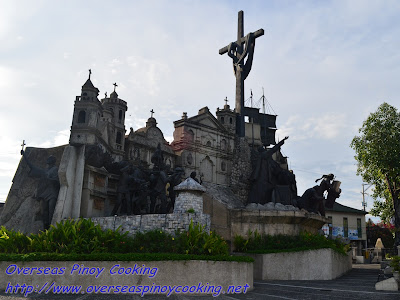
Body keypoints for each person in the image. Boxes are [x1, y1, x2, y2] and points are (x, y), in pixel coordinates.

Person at [21, 149, 60, 229]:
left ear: (52, 161)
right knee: (44, 212)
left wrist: (48, 178)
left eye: (50, 159)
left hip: (52, 193)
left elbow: (57, 181)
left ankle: (52, 229)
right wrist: (24, 156)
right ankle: (46, 229)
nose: (47, 160)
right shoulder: (45, 170)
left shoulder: (55, 169)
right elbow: (32, 166)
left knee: (51, 211)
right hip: (44, 193)